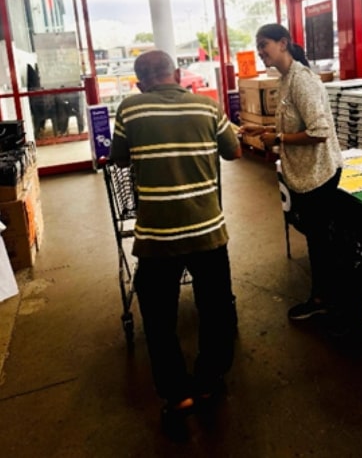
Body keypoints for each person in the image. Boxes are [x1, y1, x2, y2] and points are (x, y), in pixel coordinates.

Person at [110, 49, 242, 438]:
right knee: (215, 308)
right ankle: (209, 381)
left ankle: (177, 395)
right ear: (179, 74)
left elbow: (119, 160)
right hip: (207, 231)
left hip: (157, 237)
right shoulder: (208, 107)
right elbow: (233, 152)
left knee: (159, 319)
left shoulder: (129, 110)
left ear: (140, 84)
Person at [239, 23, 349, 331]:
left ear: (283, 43)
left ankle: (325, 301)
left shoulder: (302, 80)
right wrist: (263, 130)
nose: (260, 51)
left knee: (320, 242)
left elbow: (319, 131)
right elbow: (293, 124)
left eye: (264, 44)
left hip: (319, 173)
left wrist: (278, 139)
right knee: (317, 239)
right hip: (304, 172)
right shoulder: (285, 78)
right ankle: (327, 296)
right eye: (258, 46)